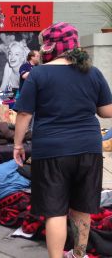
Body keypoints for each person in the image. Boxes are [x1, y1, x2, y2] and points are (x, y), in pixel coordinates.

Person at [13, 22, 112, 258]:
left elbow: (25, 113)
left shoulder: (39, 73)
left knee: (54, 210)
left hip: (52, 150)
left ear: (50, 46)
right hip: (88, 149)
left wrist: (17, 144)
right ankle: (79, 255)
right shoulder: (92, 72)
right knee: (82, 207)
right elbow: (106, 111)